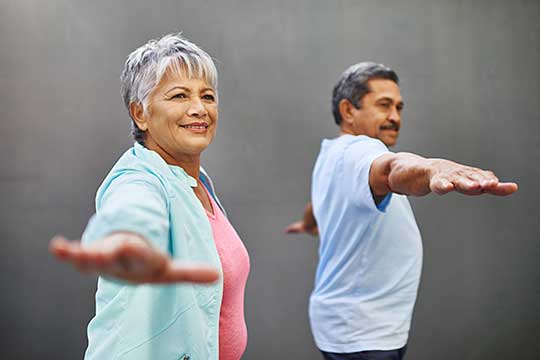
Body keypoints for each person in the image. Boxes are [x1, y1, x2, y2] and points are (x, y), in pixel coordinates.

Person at [286, 62, 517, 360]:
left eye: (399, 107)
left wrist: (309, 222)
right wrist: (434, 167)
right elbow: (391, 171)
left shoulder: (332, 154)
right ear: (348, 111)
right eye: (384, 105)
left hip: (347, 325)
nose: (395, 116)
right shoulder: (360, 152)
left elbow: (321, 200)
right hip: (364, 335)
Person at [49, 33, 250, 360]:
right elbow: (133, 208)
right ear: (140, 113)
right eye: (179, 96)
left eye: (207, 96)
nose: (199, 108)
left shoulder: (196, 183)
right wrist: (129, 237)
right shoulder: (139, 178)